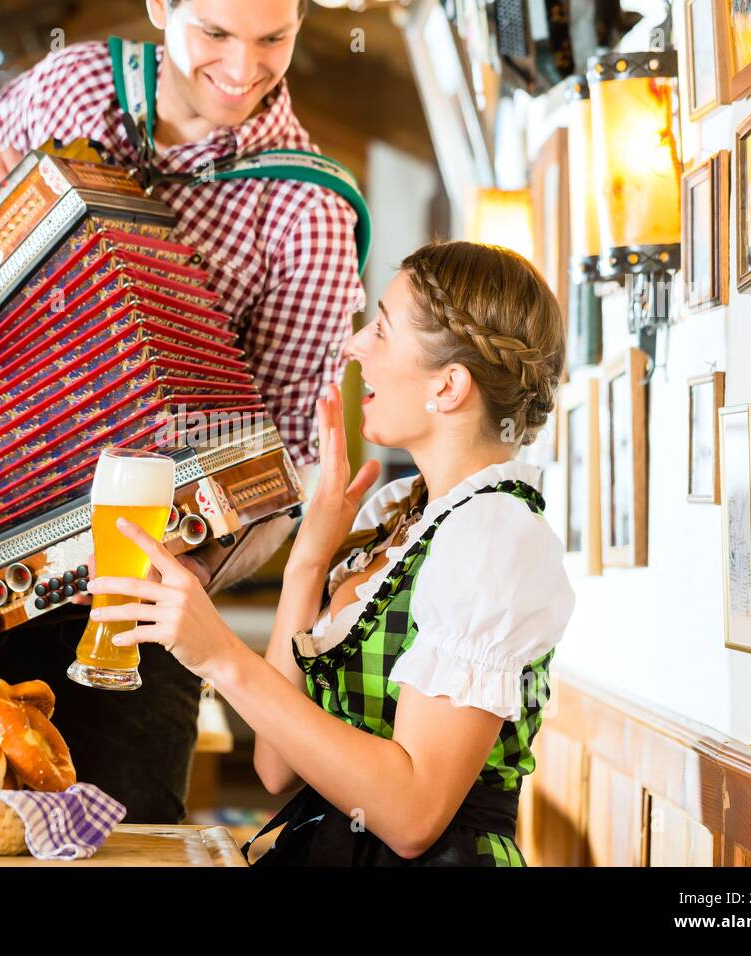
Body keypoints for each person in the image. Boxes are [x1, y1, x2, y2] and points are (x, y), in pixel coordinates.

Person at [0, 0, 367, 825]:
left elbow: (283, 477)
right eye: (215, 33)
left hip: (147, 557)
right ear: (161, 7)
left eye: (272, 38)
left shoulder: (310, 213)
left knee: (126, 822)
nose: (244, 69)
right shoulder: (77, 80)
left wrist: (186, 574)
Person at [84, 240, 577, 864]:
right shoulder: (398, 516)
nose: (354, 345)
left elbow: (412, 817)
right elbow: (276, 766)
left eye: (383, 330)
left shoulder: (494, 537)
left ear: (449, 385)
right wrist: (307, 563)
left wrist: (220, 655)